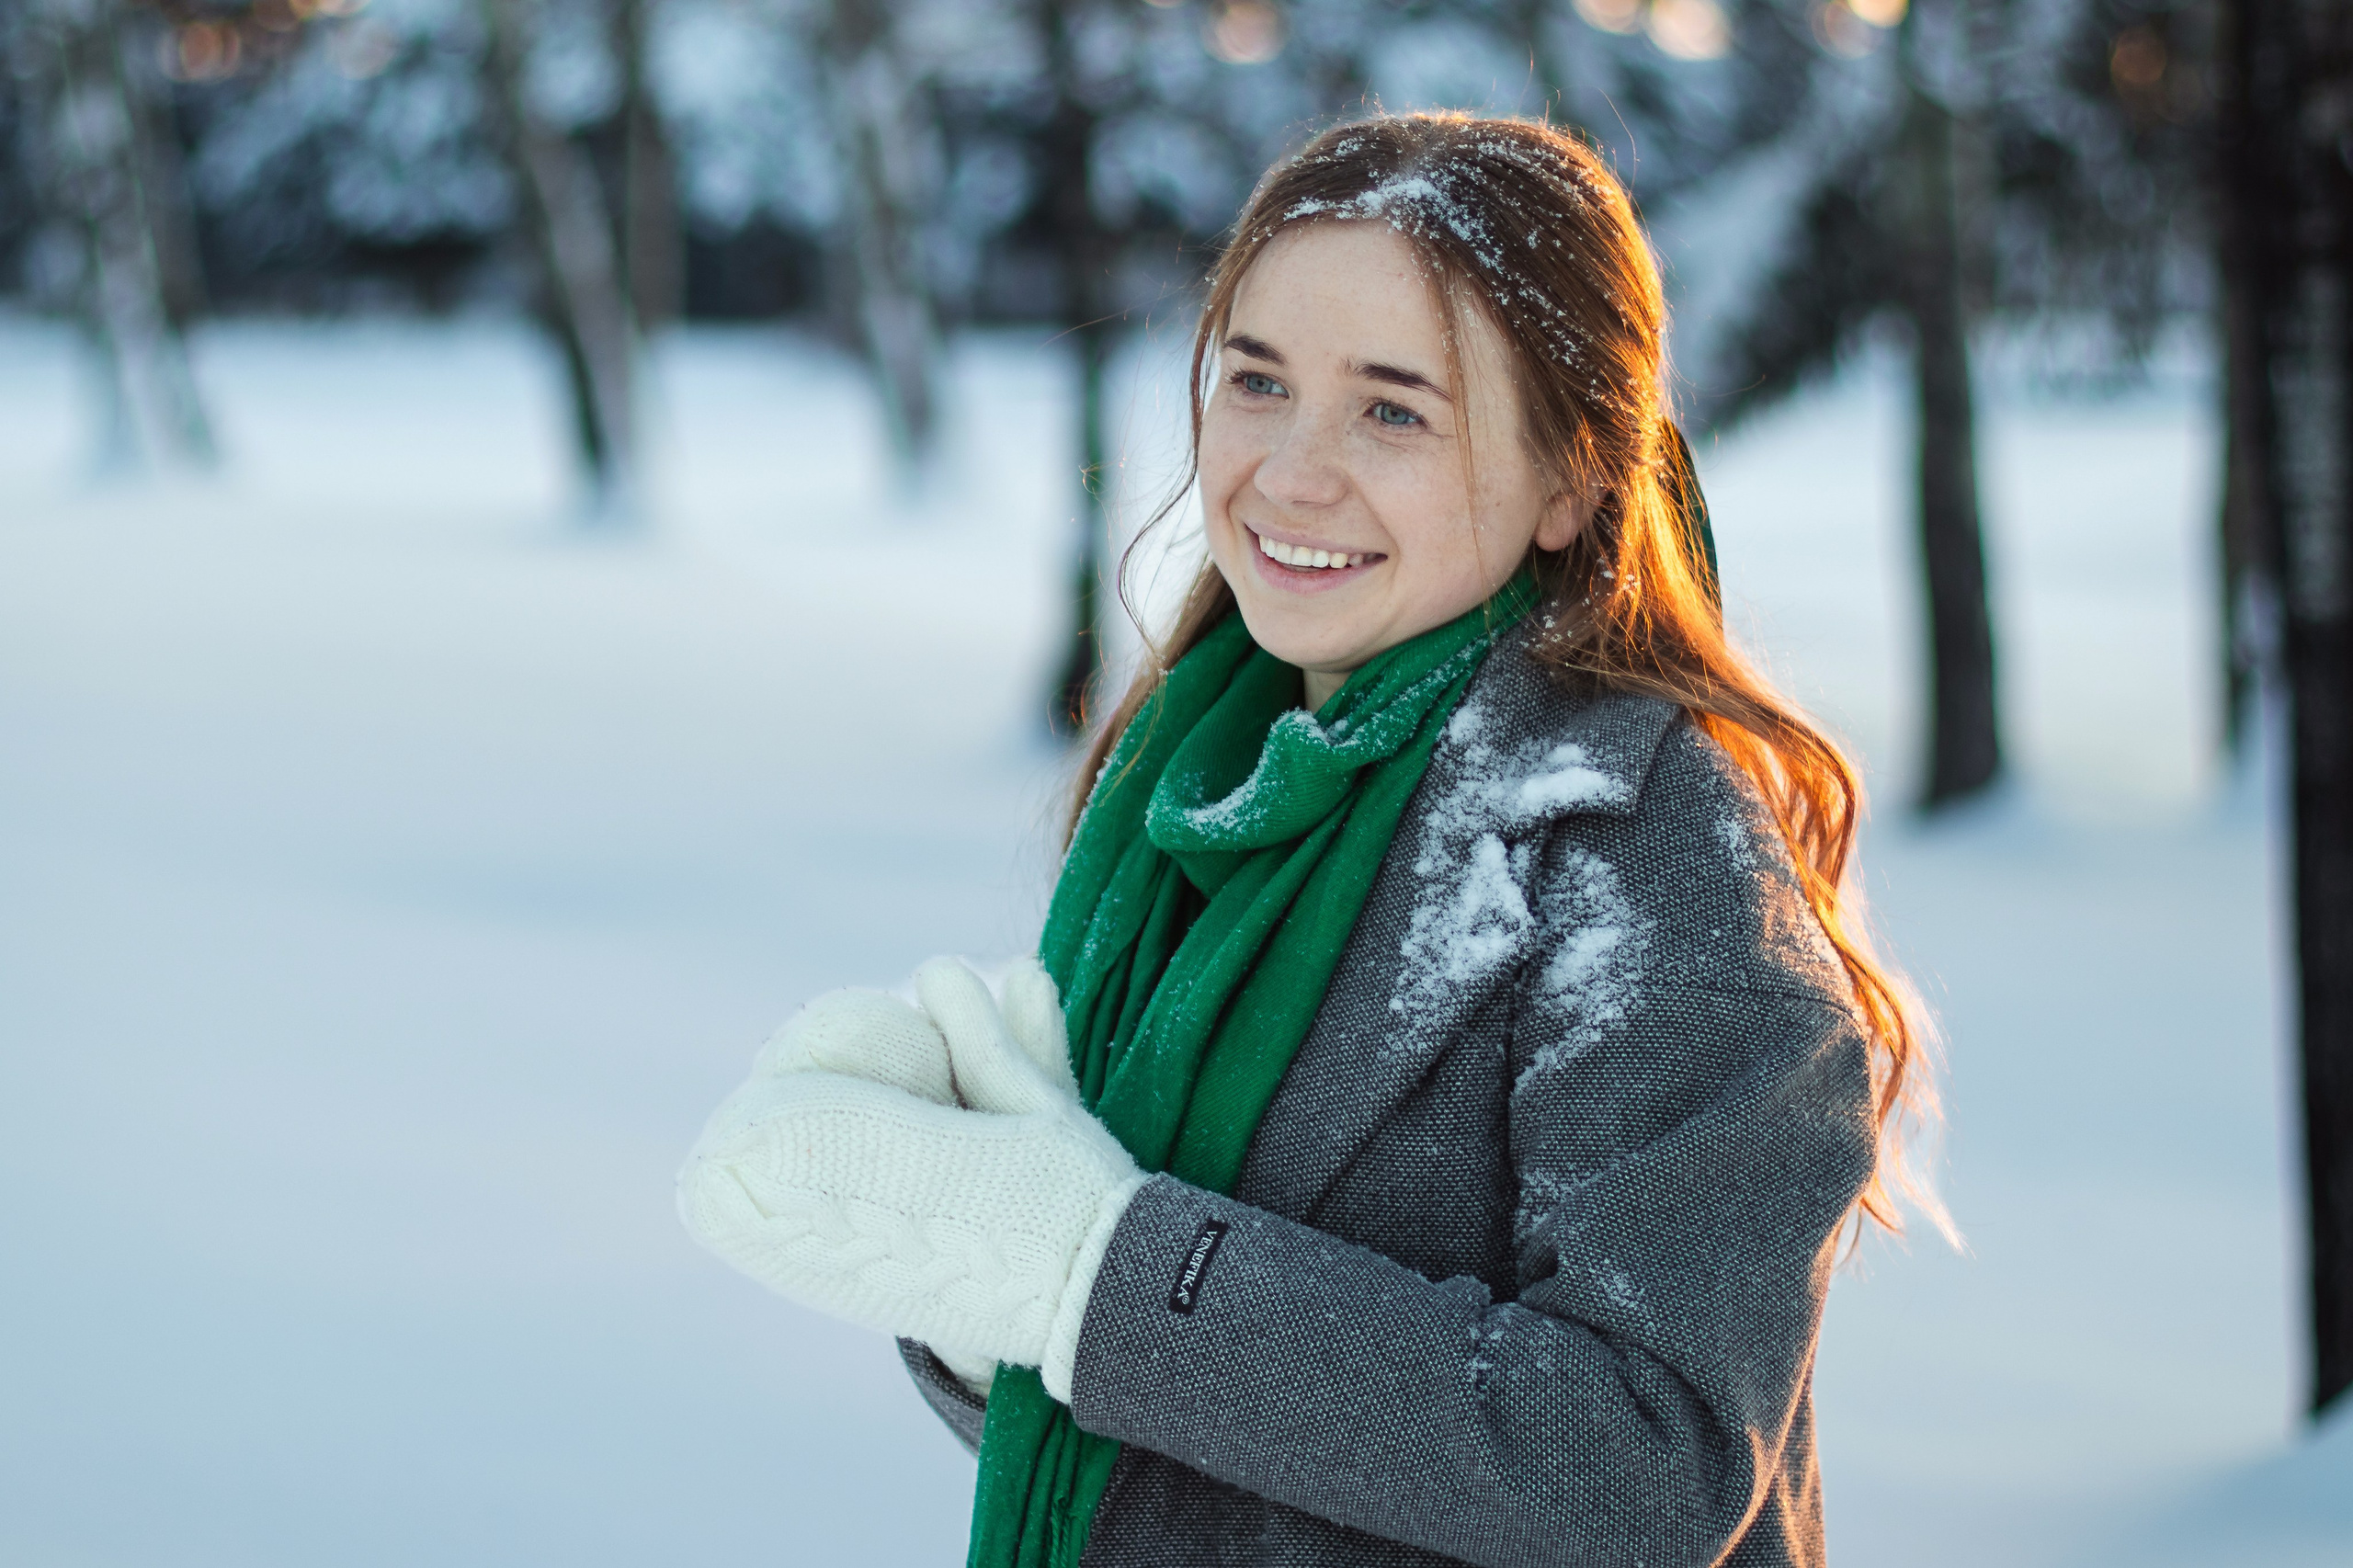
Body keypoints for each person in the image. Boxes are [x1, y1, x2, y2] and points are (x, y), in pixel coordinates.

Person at [676, 111, 1942, 1568]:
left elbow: (1639, 1464)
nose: (1287, 471)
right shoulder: (1202, 793)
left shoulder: (1639, 855)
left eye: (1394, 409)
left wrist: (1092, 1265)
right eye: (1257, 381)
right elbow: (1182, 1435)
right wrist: (973, 1268)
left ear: (1572, 477)